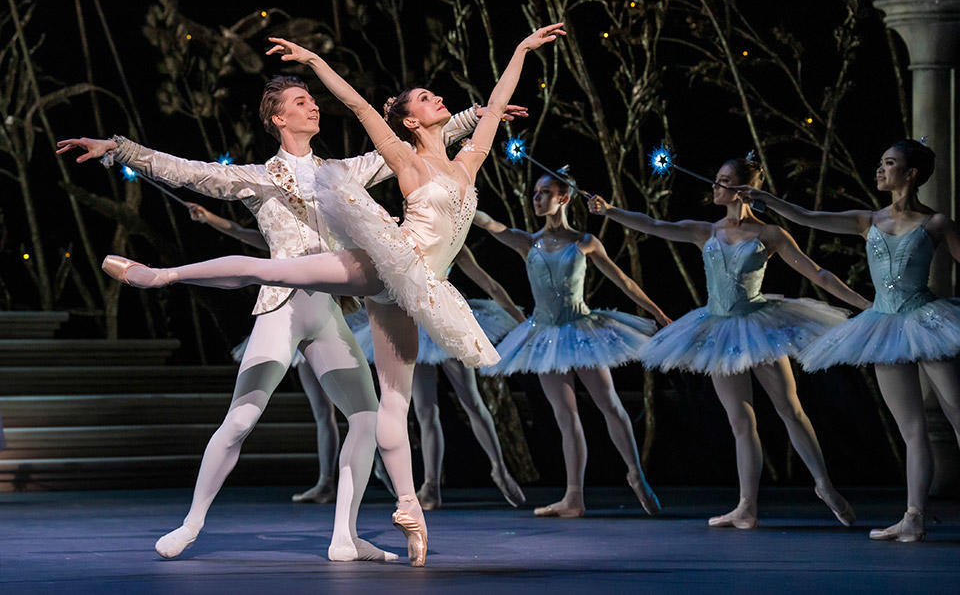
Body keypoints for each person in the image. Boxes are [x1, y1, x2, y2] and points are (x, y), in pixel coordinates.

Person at [82, 24, 563, 566]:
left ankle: (345, 535)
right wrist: (121, 148)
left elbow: (421, 142)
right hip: (282, 306)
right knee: (241, 419)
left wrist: (479, 115)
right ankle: (192, 522)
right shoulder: (256, 177)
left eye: (313, 99)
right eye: (302, 101)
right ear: (278, 118)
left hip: (333, 308)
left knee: (367, 416)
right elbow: (189, 173)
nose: (312, 108)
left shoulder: (344, 169)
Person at [589, 155, 868, 529]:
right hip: (718, 330)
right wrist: (610, 211)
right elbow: (655, 225)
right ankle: (746, 507)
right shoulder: (707, 231)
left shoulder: (769, 234)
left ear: (742, 189)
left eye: (722, 180)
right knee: (740, 420)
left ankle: (824, 485)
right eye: (716, 179)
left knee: (790, 408)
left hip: (758, 325)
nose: (714, 186)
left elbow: (818, 273)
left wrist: (866, 305)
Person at [740, 139, 960, 542]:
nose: (879, 170)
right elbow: (807, 216)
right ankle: (913, 516)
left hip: (927, 320)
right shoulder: (868, 220)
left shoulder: (936, 223)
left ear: (910, 174)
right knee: (911, 429)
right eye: (881, 162)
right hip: (884, 326)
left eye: (889, 163)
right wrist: (767, 199)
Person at [472, 173, 669, 518]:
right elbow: (489, 224)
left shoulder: (585, 241)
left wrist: (657, 312)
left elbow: (622, 280)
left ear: (563, 198)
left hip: (581, 330)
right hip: (545, 335)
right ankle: (573, 496)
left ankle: (636, 475)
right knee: (565, 416)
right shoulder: (526, 242)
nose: (536, 198)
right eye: (535, 193)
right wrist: (453, 191)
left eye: (545, 193)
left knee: (609, 403)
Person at [187, 202, 396, 504]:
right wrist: (211, 217)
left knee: (360, 412)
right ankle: (326, 481)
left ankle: (375, 470)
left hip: (324, 318)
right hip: (285, 317)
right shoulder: (283, 236)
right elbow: (248, 235)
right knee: (322, 411)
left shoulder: (330, 229)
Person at [347, 244, 527, 510]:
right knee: (425, 410)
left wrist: (521, 321)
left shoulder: (452, 240)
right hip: (415, 324)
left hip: (446, 322)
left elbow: (489, 284)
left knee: (472, 400)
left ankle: (499, 469)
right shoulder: (400, 241)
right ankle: (431, 485)